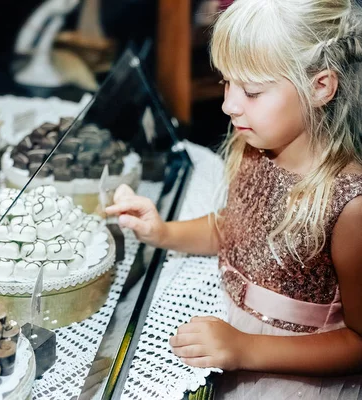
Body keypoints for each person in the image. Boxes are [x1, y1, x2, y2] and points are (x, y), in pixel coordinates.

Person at [106, 0, 362, 398]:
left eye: (252, 90)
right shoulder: (253, 147)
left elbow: (358, 343)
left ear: (320, 87)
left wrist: (245, 348)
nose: (228, 104)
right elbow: (237, 229)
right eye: (226, 82)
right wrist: (161, 231)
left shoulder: (350, 206)